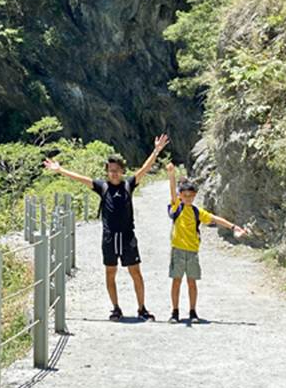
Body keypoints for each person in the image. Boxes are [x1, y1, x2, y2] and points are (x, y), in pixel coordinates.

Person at [43, 134, 169, 321]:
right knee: (110, 272)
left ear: (122, 171)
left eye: (117, 170)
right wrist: (60, 170)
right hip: (109, 237)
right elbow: (81, 179)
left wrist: (156, 150)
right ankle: (116, 308)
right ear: (107, 172)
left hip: (127, 236)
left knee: (136, 272)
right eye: (110, 170)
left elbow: (145, 168)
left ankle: (142, 308)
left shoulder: (128, 185)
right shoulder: (102, 187)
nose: (114, 173)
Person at [165, 162, 249, 323]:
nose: (188, 198)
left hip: (192, 252)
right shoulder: (177, 207)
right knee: (176, 282)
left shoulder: (197, 212)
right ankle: (174, 312)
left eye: (191, 195)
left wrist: (233, 227)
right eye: (185, 195)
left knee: (192, 283)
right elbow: (172, 194)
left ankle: (192, 311)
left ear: (195, 195)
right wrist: (171, 175)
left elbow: (215, 219)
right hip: (177, 250)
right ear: (180, 195)